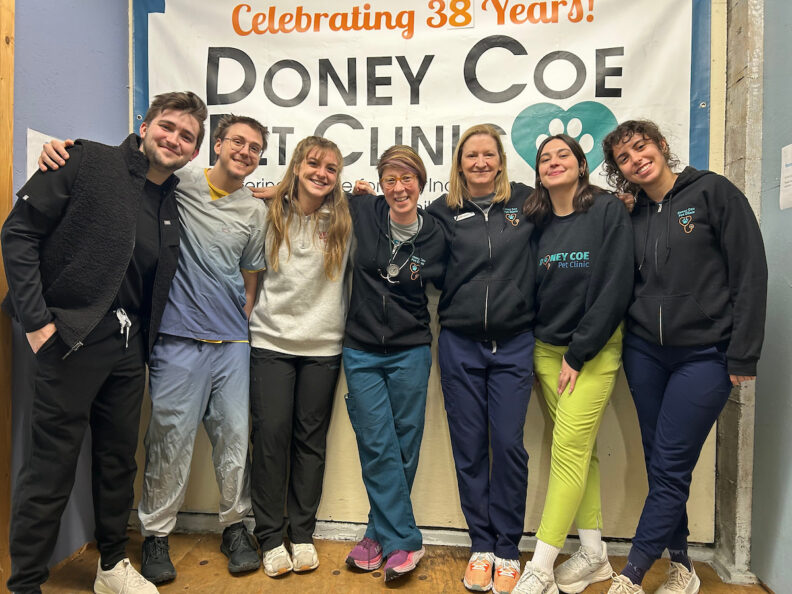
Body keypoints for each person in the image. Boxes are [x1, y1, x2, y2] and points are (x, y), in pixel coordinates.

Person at [36, 115, 269, 584]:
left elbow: (250, 275)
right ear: (217, 145)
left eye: (255, 148)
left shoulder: (255, 211)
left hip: (232, 344)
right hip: (176, 339)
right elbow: (117, 168)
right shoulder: (175, 182)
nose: (245, 151)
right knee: (168, 440)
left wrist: (240, 316)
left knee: (235, 440)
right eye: (237, 142)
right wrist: (59, 152)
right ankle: (157, 535)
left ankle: (235, 527)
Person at [2, 91, 206, 594]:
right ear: (145, 124)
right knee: (50, 466)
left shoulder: (171, 203)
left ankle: (111, 565)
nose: (174, 139)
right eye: (168, 126)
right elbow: (18, 234)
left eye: (186, 136)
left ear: (195, 151)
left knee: (118, 460)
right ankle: (26, 582)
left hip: (128, 347)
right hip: (68, 339)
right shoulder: (85, 159)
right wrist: (37, 323)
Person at [601, 120, 767, 594]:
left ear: (661, 145)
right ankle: (682, 565)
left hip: (705, 357)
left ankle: (632, 574)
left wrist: (743, 355)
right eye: (624, 159)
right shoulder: (630, 214)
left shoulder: (713, 192)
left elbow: (750, 272)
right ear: (620, 172)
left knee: (670, 463)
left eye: (641, 147)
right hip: (645, 354)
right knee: (659, 462)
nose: (636, 159)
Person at [511, 135, 633, 594]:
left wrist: (579, 353)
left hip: (592, 352)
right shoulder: (537, 218)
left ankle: (540, 566)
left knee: (566, 452)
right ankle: (594, 553)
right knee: (579, 453)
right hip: (545, 351)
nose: (554, 162)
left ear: (582, 166)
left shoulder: (606, 211)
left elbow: (616, 287)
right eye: (545, 158)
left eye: (564, 155)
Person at [426, 124, 536, 594]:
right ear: (459, 162)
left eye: (488, 154)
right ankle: (482, 546)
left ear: (500, 159)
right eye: (471, 155)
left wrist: (623, 204)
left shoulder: (529, 203)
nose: (480, 163)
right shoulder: (442, 211)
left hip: (514, 342)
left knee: (508, 445)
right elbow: (416, 257)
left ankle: (509, 548)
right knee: (469, 447)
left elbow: (578, 213)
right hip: (460, 343)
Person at [248, 136, 353, 578]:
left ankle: (303, 533)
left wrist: (363, 190)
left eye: (331, 168)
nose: (321, 173)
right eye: (313, 164)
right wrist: (274, 191)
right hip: (271, 342)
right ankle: (270, 536)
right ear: (297, 165)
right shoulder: (267, 213)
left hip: (324, 347)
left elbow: (388, 201)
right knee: (271, 437)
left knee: (311, 443)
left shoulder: (346, 219)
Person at [342, 146, 446, 582]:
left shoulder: (438, 234)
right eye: (390, 179)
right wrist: (260, 193)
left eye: (406, 179)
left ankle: (375, 534)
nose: (398, 188)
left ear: (420, 183)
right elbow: (307, 190)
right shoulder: (363, 210)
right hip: (361, 349)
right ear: (380, 183)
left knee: (404, 444)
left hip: (411, 349)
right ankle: (405, 539)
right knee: (377, 444)